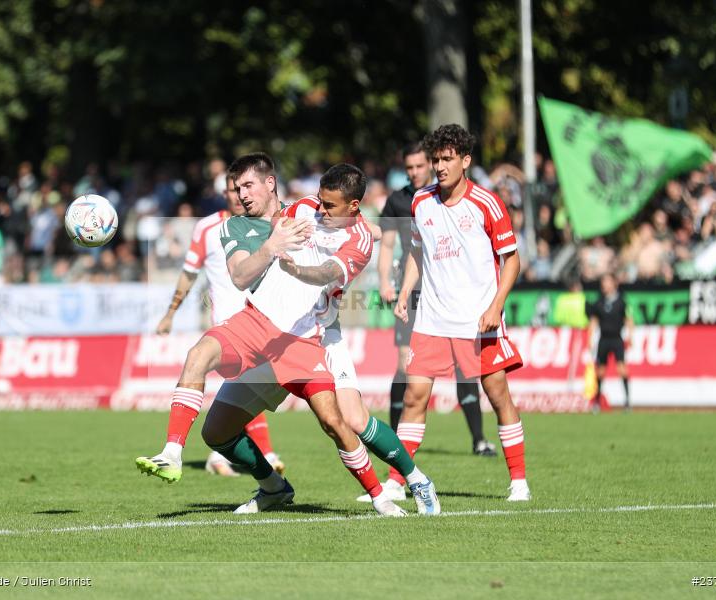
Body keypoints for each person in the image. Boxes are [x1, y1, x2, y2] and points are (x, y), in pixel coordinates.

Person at [137, 157, 437, 516]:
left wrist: (298, 266)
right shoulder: (305, 207)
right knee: (215, 429)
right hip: (260, 328)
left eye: (329, 206)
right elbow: (271, 218)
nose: (319, 210)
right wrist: (260, 214)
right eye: (319, 201)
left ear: (353, 206)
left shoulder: (358, 242)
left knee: (350, 420)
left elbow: (327, 270)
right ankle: (259, 483)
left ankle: (412, 481)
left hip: (317, 335)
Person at [394, 124, 531, 502]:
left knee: (497, 393)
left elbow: (512, 261)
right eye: (435, 159)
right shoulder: (421, 202)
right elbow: (417, 250)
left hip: (478, 319)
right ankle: (395, 481)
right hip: (433, 319)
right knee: (414, 397)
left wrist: (495, 306)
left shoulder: (487, 203)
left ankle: (518, 481)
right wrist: (406, 289)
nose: (439, 166)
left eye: (447, 159)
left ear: (465, 161)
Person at [378, 142, 497, 475]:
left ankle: (478, 438)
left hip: (447, 293)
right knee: (405, 366)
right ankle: (395, 446)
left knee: (465, 367)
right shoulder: (399, 200)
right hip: (412, 291)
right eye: (410, 167)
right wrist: (386, 281)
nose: (415, 171)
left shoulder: (439, 196)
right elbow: (387, 244)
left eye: (420, 166)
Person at [155, 175, 284, 477]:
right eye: (233, 189)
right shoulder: (208, 227)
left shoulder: (271, 222)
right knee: (240, 384)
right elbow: (189, 273)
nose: (239, 195)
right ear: (224, 192)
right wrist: (170, 313)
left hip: (265, 321)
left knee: (245, 392)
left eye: (244, 188)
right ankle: (258, 454)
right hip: (229, 327)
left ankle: (226, 454)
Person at [587, 273, 633, 412]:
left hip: (617, 339)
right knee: (600, 371)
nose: (604, 285)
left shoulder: (621, 301)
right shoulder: (598, 302)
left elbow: (628, 320)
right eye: (603, 282)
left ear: (614, 284)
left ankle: (627, 402)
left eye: (607, 282)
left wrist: (630, 336)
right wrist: (590, 338)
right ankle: (597, 401)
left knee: (622, 369)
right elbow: (594, 321)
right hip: (604, 339)